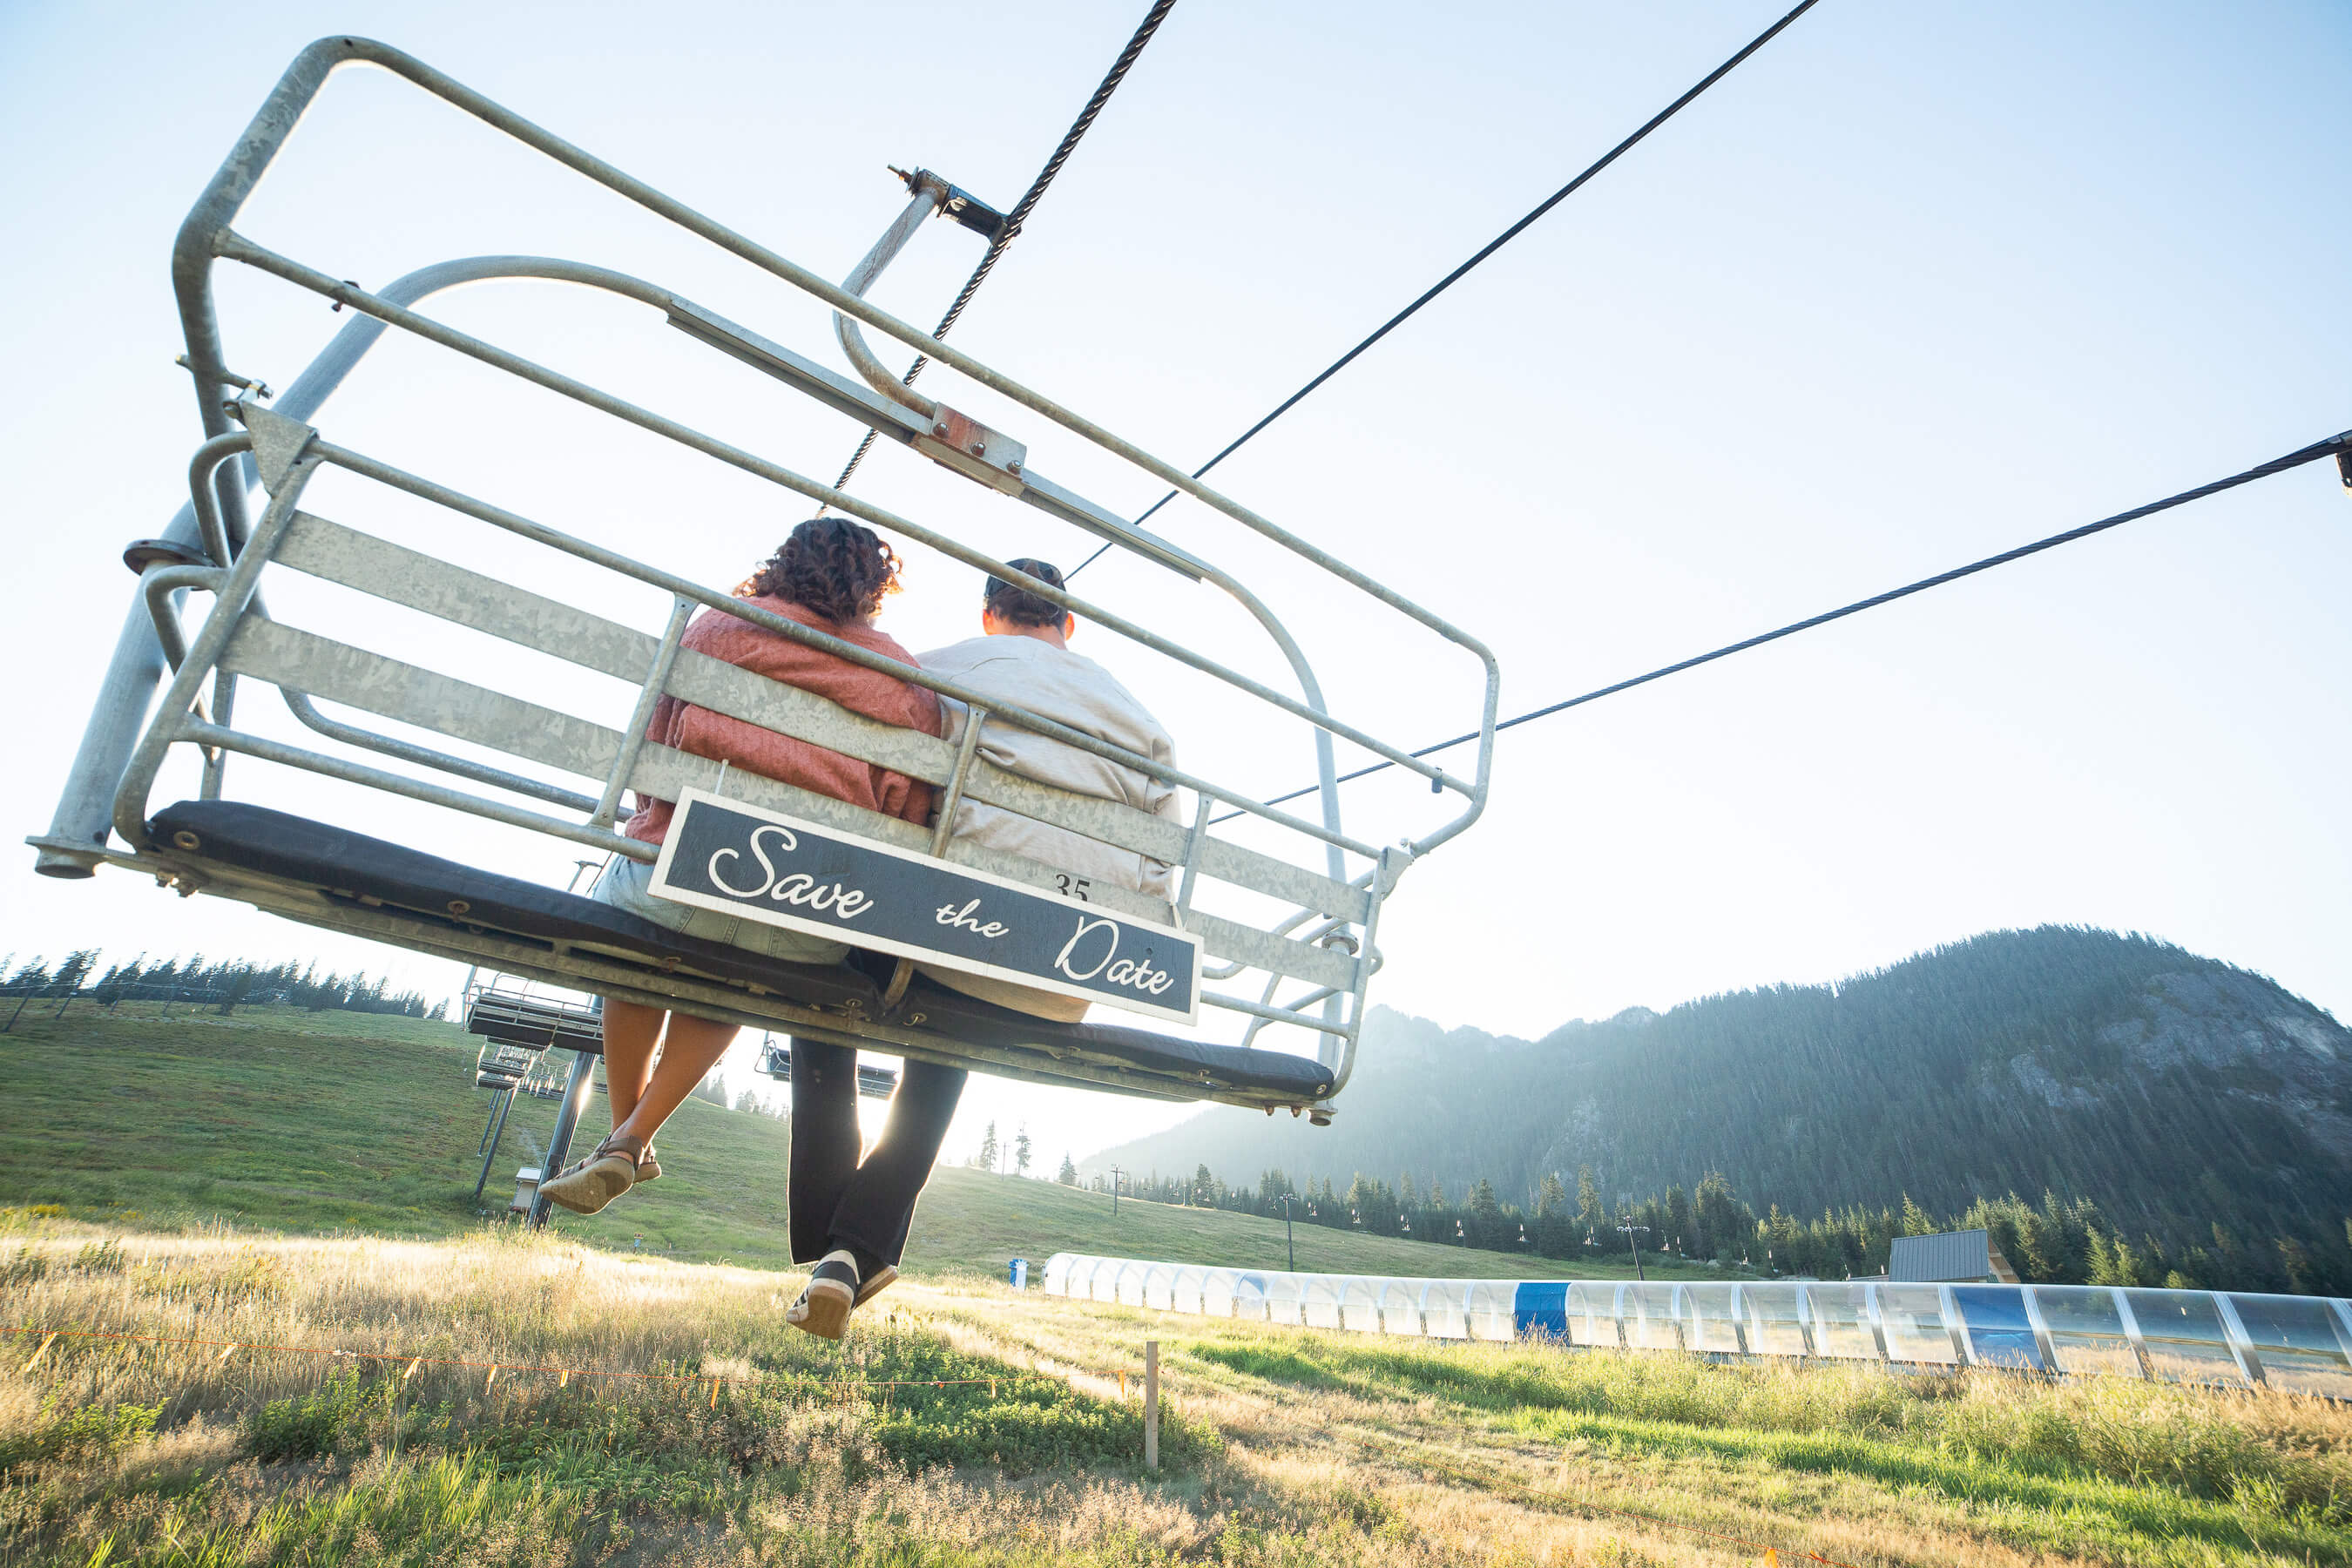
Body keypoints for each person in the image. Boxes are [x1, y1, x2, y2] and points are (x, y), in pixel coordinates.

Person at [540, 517, 954, 1340]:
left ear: (783, 564)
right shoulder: (906, 683)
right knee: (743, 952)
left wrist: (660, 829)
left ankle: (627, 1138)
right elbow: (907, 815)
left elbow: (653, 747)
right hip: (800, 916)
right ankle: (626, 1142)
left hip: (674, 881)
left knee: (648, 945)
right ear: (875, 590)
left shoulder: (720, 629)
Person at [914, 558, 1183, 1019]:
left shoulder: (935, 669)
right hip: (1074, 970)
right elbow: (1161, 858)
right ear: (1069, 623)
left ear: (988, 616)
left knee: (832, 948)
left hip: (940, 937)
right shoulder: (1141, 722)